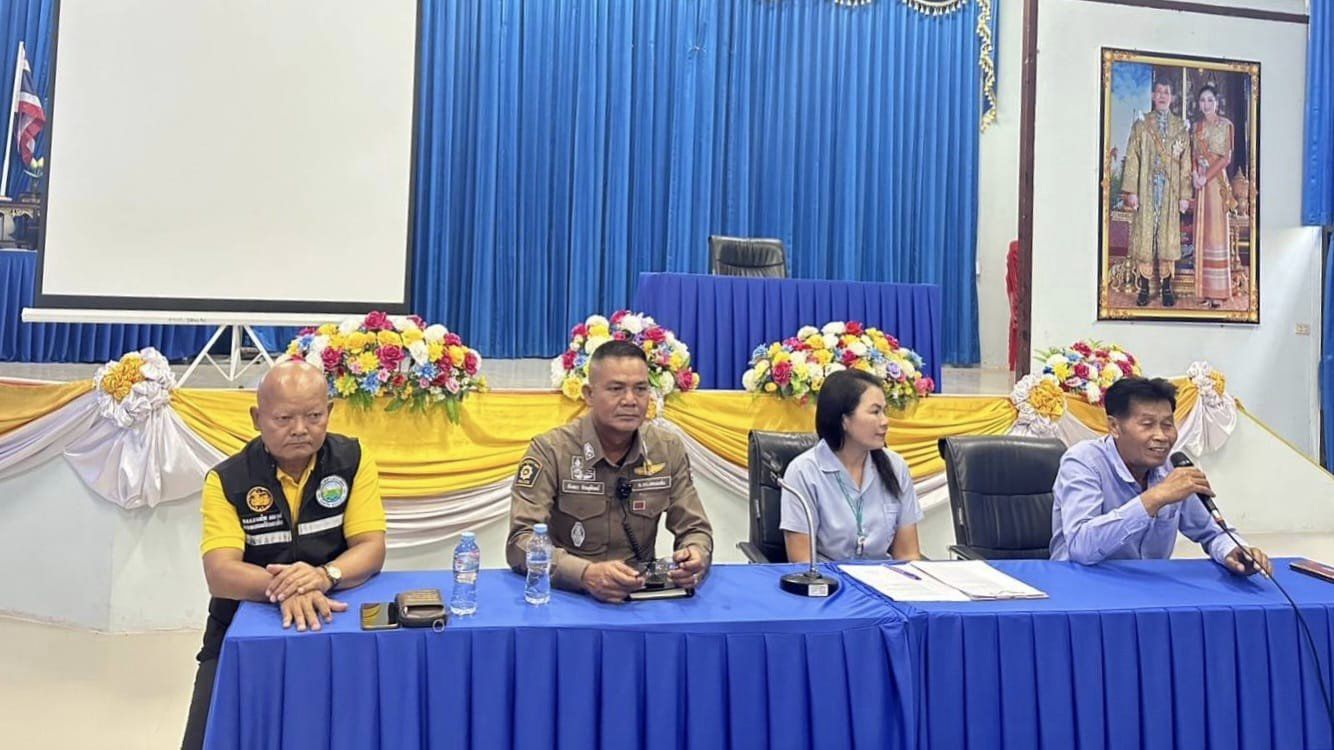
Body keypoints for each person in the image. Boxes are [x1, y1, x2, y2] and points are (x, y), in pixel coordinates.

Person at [182, 359, 386, 750]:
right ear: (257, 418)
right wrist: (289, 588)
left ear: (330, 411)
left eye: (314, 416)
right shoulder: (228, 480)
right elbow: (221, 574)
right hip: (240, 625)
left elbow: (371, 547)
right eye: (284, 418)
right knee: (206, 738)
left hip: (333, 616)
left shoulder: (353, 461)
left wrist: (323, 577)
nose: (300, 429)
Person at [506, 340, 713, 602]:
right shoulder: (551, 451)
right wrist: (584, 574)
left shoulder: (666, 449)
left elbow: (695, 529)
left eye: (640, 389)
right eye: (616, 389)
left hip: (640, 596)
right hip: (568, 596)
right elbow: (520, 541)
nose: (630, 400)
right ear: (589, 394)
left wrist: (695, 555)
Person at [1050, 377, 1270, 574]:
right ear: (1114, 427)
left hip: (1150, 589)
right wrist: (1154, 498)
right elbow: (1081, 547)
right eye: (1147, 425)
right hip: (1083, 585)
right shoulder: (1083, 461)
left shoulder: (1173, 468)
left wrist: (1232, 550)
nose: (1162, 436)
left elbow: (1213, 533)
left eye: (1167, 425)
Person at [779, 370, 923, 562]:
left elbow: (908, 555)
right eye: (875, 412)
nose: (885, 421)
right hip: (828, 578)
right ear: (844, 420)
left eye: (884, 411)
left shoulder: (896, 467)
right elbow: (802, 563)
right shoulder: (803, 471)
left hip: (884, 578)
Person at [1121, 78, 1194, 308]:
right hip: (1146, 189)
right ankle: (1144, 287)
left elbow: (1186, 164)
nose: (1162, 96)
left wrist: (1184, 196)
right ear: (1153, 96)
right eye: (1159, 92)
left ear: (1172, 98)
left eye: (1166, 92)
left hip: (1170, 193)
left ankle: (1166, 287)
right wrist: (1132, 191)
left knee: (1167, 238)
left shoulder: (1180, 128)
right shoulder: (1142, 125)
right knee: (1145, 237)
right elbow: (1132, 158)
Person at [1192, 84, 1235, 309]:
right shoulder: (1196, 127)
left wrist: (1205, 177)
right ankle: (1203, 290)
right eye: (1203, 100)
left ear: (1217, 102)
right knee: (1203, 234)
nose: (1206, 104)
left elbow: (1226, 158)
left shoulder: (1226, 125)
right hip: (1200, 184)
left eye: (1210, 100)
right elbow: (1192, 155)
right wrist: (1194, 175)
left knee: (1216, 234)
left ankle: (1218, 292)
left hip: (1216, 184)